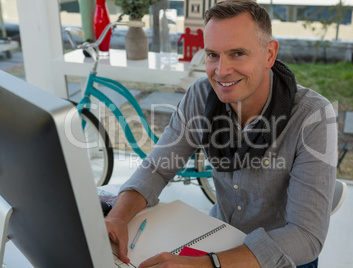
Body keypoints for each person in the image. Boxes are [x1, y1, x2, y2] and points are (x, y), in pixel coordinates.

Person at [105, 0, 337, 267]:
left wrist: (208, 264)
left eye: (238, 53)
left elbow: (305, 236)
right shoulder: (201, 95)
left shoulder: (313, 117)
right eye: (213, 54)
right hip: (219, 235)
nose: (221, 71)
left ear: (270, 54)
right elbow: (157, 168)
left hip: (283, 256)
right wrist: (117, 217)